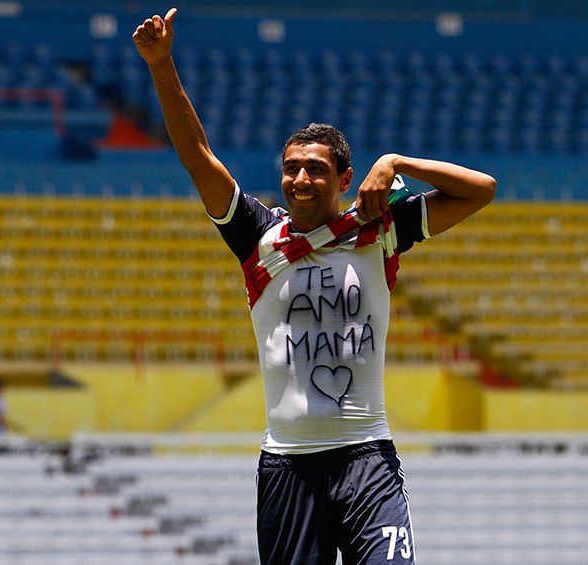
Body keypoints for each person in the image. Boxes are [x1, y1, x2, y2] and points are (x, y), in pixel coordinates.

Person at [133, 9, 496, 564]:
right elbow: (197, 158)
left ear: (344, 179)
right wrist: (162, 66)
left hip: (367, 458)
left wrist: (397, 161)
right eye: (291, 168)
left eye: (315, 169)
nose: (300, 179)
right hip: (288, 467)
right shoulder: (256, 235)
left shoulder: (377, 231)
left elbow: (481, 190)